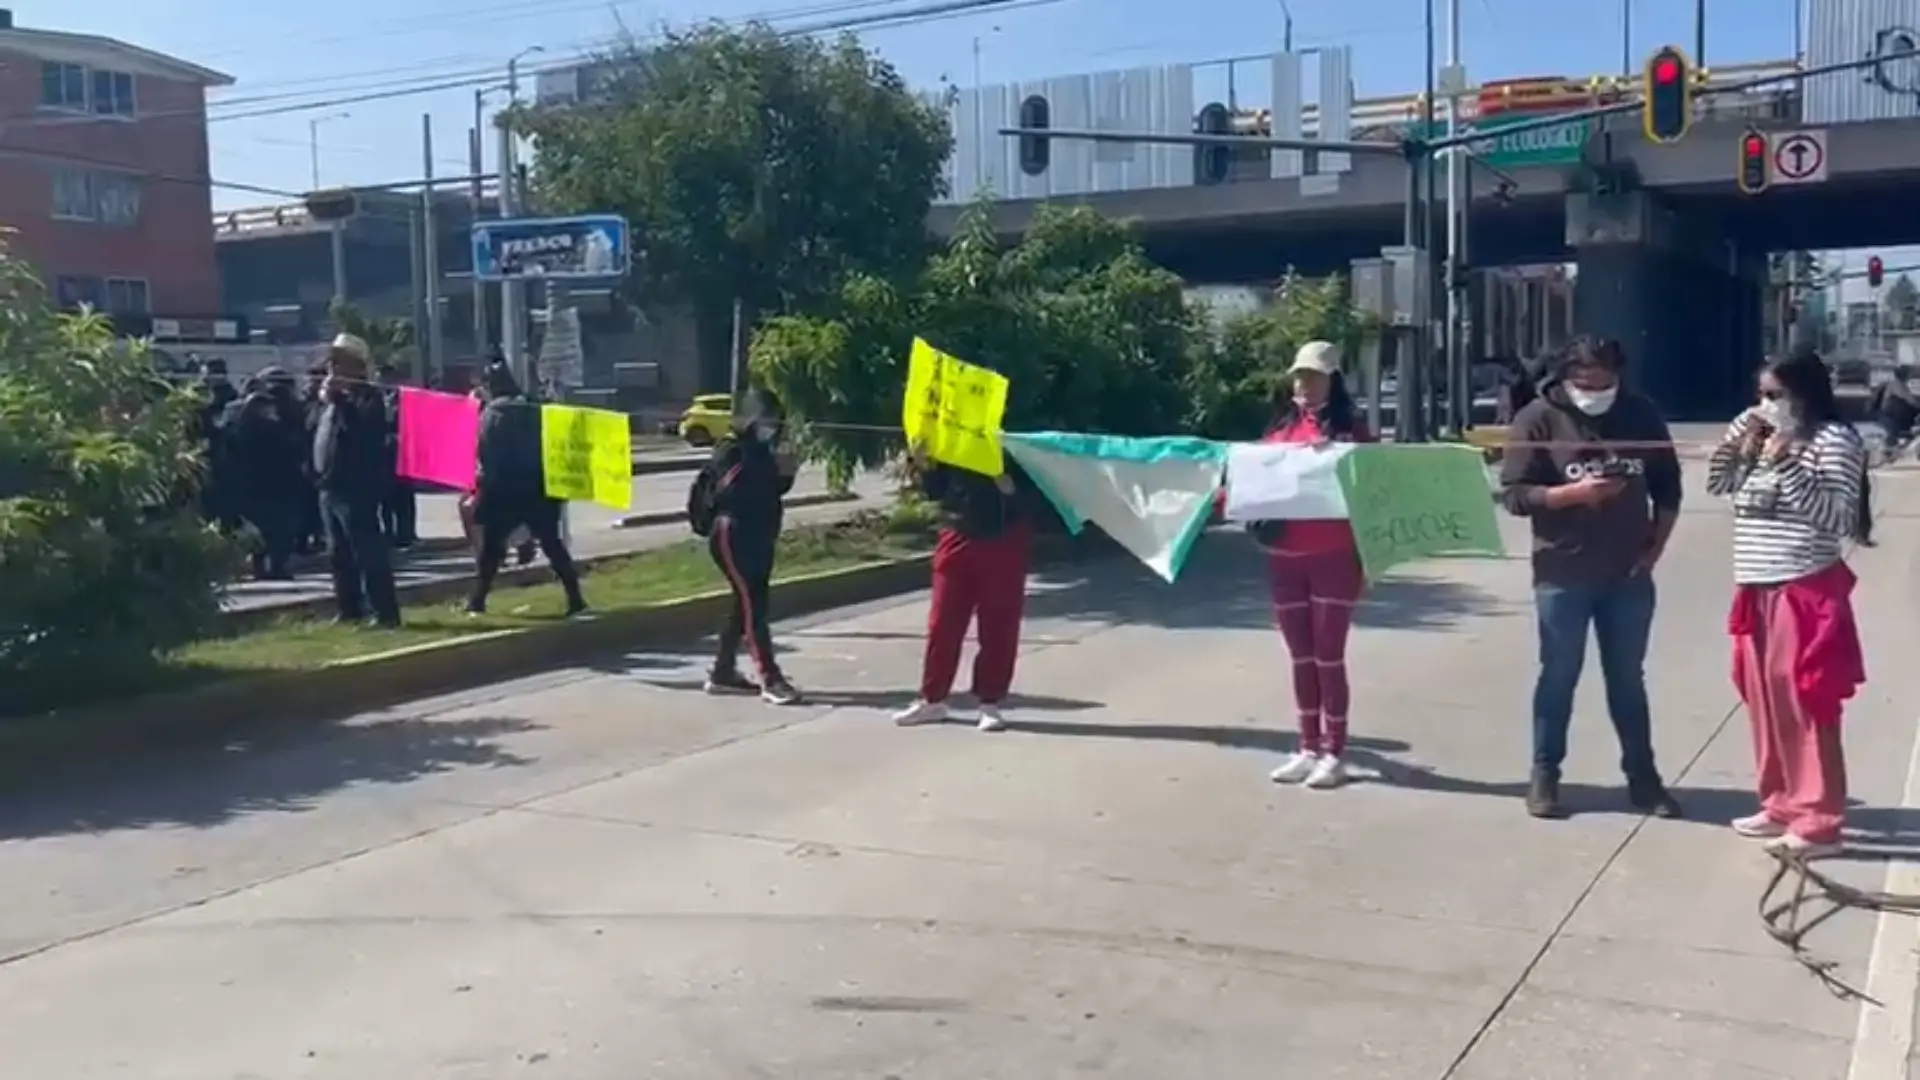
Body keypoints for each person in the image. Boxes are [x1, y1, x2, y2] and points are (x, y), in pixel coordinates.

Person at [1497, 336, 1685, 820]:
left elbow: (1668, 487)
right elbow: (1515, 496)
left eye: (1605, 383)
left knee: (1627, 679)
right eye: (1584, 383)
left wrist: (1656, 547)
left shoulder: (1640, 414)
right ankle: (1545, 774)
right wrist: (1572, 495)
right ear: (1565, 377)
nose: (1594, 392)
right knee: (1559, 674)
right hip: (1562, 572)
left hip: (1627, 573)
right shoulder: (1536, 419)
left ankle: (1643, 778)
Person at [1707, 349, 1869, 859]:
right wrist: (1737, 445)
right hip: (1755, 582)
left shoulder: (1832, 440)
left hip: (1803, 585)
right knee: (1765, 701)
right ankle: (1779, 801)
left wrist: (1789, 465)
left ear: (1804, 394)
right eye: (1760, 395)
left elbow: (1840, 518)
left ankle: (1820, 819)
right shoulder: (1758, 433)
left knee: (1805, 702)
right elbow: (1719, 486)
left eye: (1776, 395)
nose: (1765, 404)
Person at [1250, 341, 1374, 789]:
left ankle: (1333, 751)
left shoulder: (1352, 432)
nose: (1304, 383)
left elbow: (1373, 491)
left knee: (1328, 655)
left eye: (1315, 375)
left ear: (1333, 380)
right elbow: (1250, 483)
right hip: (1284, 559)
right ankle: (1307, 745)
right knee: (1300, 655)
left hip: (1336, 557)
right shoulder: (1279, 429)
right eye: (1300, 375)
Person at [890, 447, 1039, 733]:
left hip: (1004, 535)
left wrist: (1011, 489)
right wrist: (926, 467)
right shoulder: (955, 438)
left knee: (998, 623)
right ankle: (933, 699)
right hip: (957, 532)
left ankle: (989, 703)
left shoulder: (1013, 439)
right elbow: (937, 490)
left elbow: (1042, 496)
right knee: (942, 622)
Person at [694, 389, 804, 705]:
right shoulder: (733, 450)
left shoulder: (762, 451)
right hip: (733, 533)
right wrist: (765, 463)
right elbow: (733, 490)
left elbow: (772, 490)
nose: (772, 427)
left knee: (744, 603)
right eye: (767, 420)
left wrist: (786, 471)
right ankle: (770, 677)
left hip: (759, 533)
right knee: (754, 605)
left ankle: (722, 672)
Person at [465, 364, 587, 617]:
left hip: (505, 490)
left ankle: (477, 600)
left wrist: (484, 484)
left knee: (491, 548)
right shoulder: (536, 408)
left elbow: (486, 451)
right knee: (553, 544)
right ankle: (575, 598)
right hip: (540, 487)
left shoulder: (492, 413)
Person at [311, 334, 403, 628]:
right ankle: (349, 608)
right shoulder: (329, 400)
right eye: (331, 362)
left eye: (339, 362)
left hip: (357, 487)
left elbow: (364, 436)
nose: (332, 368)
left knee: (367, 551)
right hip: (329, 485)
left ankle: (384, 611)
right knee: (338, 553)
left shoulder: (369, 398)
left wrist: (340, 400)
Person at [373, 362, 419, 549]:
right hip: (384, 456)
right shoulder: (376, 399)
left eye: (383, 378)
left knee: (404, 497)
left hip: (402, 454)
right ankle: (389, 532)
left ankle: (406, 533)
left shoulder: (403, 399)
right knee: (386, 498)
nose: (380, 382)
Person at [1867, 365, 1920, 460]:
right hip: (1890, 417)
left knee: (1895, 437)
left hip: (1889, 416)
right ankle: (1888, 454)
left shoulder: (1896, 384)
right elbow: (1909, 400)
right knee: (1895, 436)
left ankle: (1891, 454)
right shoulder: (1897, 385)